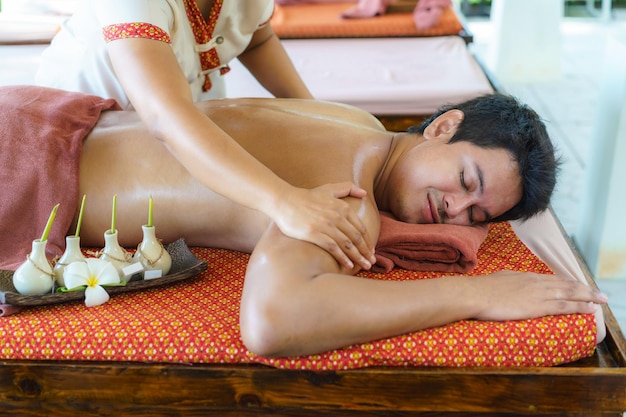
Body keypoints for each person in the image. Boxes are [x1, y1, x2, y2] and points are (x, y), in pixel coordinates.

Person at [75, 93, 607, 357]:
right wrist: (477, 294)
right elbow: (273, 323)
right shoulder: (349, 198)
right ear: (443, 128)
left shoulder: (356, 120)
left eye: (477, 216)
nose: (454, 211)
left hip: (55, 119)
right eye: (465, 181)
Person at [35, 0, 375, 272]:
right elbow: (165, 117)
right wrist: (283, 201)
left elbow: (258, 39)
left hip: (179, 118)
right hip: (82, 142)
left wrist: (320, 117)